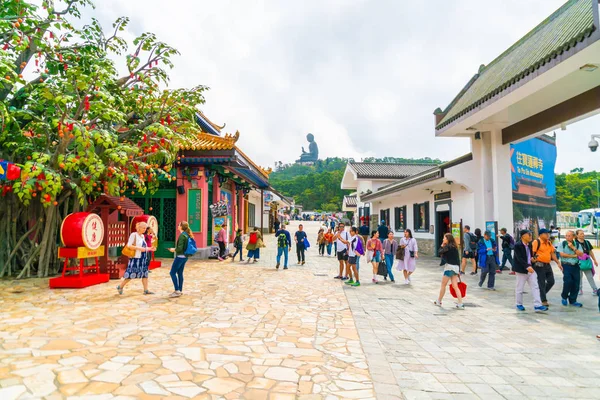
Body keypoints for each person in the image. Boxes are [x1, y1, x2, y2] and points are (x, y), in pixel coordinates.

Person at [116, 221, 156, 295]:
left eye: (145, 228)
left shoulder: (142, 236)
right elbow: (129, 245)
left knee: (145, 274)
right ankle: (120, 286)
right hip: (136, 258)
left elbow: (144, 247)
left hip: (143, 258)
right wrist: (139, 248)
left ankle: (146, 290)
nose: (145, 229)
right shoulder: (133, 235)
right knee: (131, 274)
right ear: (139, 228)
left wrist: (150, 248)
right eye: (143, 228)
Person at [513, 229, 548, 312]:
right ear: (523, 236)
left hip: (531, 269)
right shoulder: (518, 245)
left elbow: (530, 256)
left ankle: (538, 305)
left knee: (535, 286)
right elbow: (519, 258)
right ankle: (519, 304)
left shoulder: (529, 245)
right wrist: (527, 266)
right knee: (520, 288)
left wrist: (533, 259)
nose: (530, 236)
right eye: (528, 234)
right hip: (521, 270)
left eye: (530, 234)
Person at [531, 228, 561, 307]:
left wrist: (558, 262)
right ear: (540, 235)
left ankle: (541, 295)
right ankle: (543, 300)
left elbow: (552, 254)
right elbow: (532, 253)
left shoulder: (549, 243)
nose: (548, 235)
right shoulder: (536, 242)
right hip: (539, 265)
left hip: (548, 265)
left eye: (548, 233)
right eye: (546, 233)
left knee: (551, 281)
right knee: (542, 283)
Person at [435, 233, 464, 309]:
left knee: (443, 285)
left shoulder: (447, 247)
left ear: (448, 239)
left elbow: (439, 252)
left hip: (449, 268)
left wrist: (442, 245)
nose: (443, 239)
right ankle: (460, 303)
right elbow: (458, 259)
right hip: (455, 268)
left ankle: (439, 301)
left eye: (444, 238)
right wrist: (458, 271)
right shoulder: (454, 247)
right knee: (455, 286)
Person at [166, 221, 193, 298]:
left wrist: (173, 249)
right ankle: (180, 290)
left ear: (181, 227)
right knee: (180, 273)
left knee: (172, 273)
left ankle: (177, 290)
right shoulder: (186, 235)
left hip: (180, 257)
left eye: (179, 225)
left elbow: (180, 248)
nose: (177, 226)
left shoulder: (182, 235)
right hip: (185, 257)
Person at [558, 230, 583, 307]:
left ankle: (573, 300)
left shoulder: (577, 244)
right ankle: (564, 297)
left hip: (575, 265)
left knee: (576, 283)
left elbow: (581, 254)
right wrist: (573, 255)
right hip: (566, 265)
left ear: (573, 237)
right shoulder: (562, 243)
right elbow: (562, 254)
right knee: (568, 281)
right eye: (566, 235)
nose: (567, 237)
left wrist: (573, 247)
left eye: (569, 236)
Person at [576, 229, 598, 295]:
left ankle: (595, 289)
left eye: (583, 233)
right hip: (578, 262)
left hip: (586, 262)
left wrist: (594, 260)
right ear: (577, 235)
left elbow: (590, 252)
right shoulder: (575, 243)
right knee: (579, 277)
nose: (583, 235)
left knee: (590, 276)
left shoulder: (587, 242)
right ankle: (580, 290)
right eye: (581, 234)